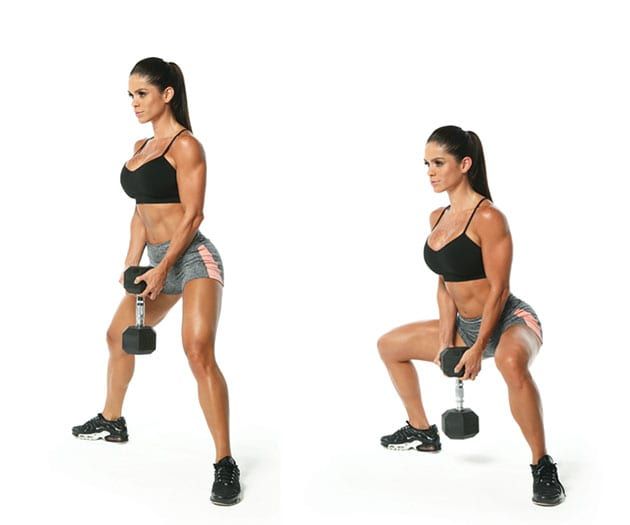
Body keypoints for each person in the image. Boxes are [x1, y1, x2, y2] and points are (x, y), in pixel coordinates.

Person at [71, 57, 241, 506]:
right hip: (155, 262)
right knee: (116, 336)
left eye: (142, 94)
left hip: (193, 260)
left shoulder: (186, 147)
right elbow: (141, 212)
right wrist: (133, 264)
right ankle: (113, 420)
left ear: (167, 94)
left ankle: (225, 462)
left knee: (198, 351)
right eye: (130, 95)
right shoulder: (140, 145)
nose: (134, 103)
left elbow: (194, 214)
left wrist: (164, 270)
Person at [377, 125, 565, 506]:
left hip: (510, 320)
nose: (430, 171)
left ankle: (542, 464)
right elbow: (445, 286)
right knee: (389, 346)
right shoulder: (436, 217)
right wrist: (446, 343)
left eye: (439, 162)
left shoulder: (489, 218)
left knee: (511, 363)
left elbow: (499, 289)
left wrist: (479, 347)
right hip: (465, 325)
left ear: (465, 164)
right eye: (427, 163)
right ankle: (422, 430)